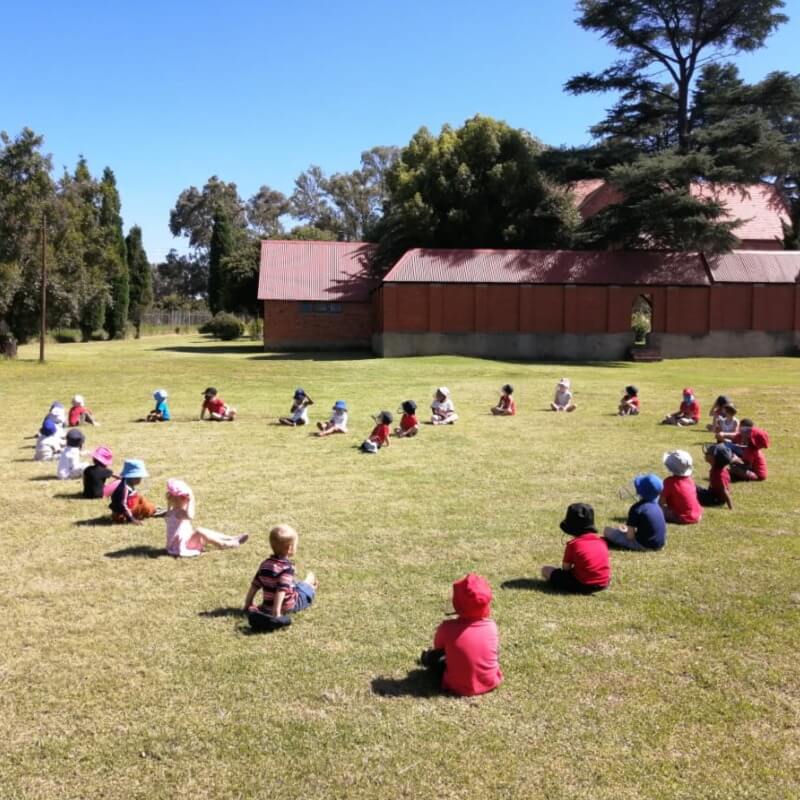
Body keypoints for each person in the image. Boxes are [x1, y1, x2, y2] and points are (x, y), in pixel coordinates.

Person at [419, 573, 503, 697]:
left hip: (457, 686)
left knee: (434, 657)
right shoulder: (492, 626)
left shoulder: (447, 628)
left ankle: (425, 657)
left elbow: (439, 648)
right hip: (490, 682)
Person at [244, 524, 317, 631]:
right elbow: (281, 591)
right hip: (289, 605)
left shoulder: (265, 564)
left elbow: (255, 585)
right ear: (289, 548)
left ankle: (307, 584)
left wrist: (248, 603)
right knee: (305, 588)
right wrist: (276, 613)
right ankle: (310, 583)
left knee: (295, 584)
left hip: (267, 606)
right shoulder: (286, 569)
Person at [164, 479, 248, 557]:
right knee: (199, 531)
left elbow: (171, 504)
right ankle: (223, 544)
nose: (186, 500)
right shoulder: (179, 513)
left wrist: (169, 502)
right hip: (182, 547)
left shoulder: (169, 513)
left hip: (177, 544)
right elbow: (190, 516)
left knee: (203, 531)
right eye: (184, 498)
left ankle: (230, 538)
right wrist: (191, 500)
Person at [541, 503, 610, 593]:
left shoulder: (573, 544)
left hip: (583, 585)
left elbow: (566, 569)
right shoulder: (602, 542)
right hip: (604, 583)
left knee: (545, 570)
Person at [603, 474, 666, 551]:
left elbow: (630, 537)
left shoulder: (637, 508)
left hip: (643, 545)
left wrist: (625, 532)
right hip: (659, 545)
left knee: (607, 530)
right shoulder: (657, 506)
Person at [109, 459, 164, 524]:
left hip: (128, 505)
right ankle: (153, 511)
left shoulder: (125, 480)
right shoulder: (125, 489)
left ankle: (153, 508)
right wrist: (133, 519)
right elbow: (123, 505)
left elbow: (119, 477)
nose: (140, 480)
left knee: (139, 497)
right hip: (122, 514)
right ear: (132, 477)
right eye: (139, 477)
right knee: (143, 507)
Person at [660, 450, 702, 524]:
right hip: (697, 514)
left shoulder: (669, 482)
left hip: (682, 517)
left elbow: (661, 502)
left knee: (656, 509)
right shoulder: (690, 480)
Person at [697, 445, 734, 509]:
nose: (705, 454)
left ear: (714, 459)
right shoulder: (716, 469)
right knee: (693, 487)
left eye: (708, 453)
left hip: (715, 500)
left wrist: (730, 507)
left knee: (692, 491)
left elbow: (724, 491)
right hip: (711, 494)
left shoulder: (719, 475)